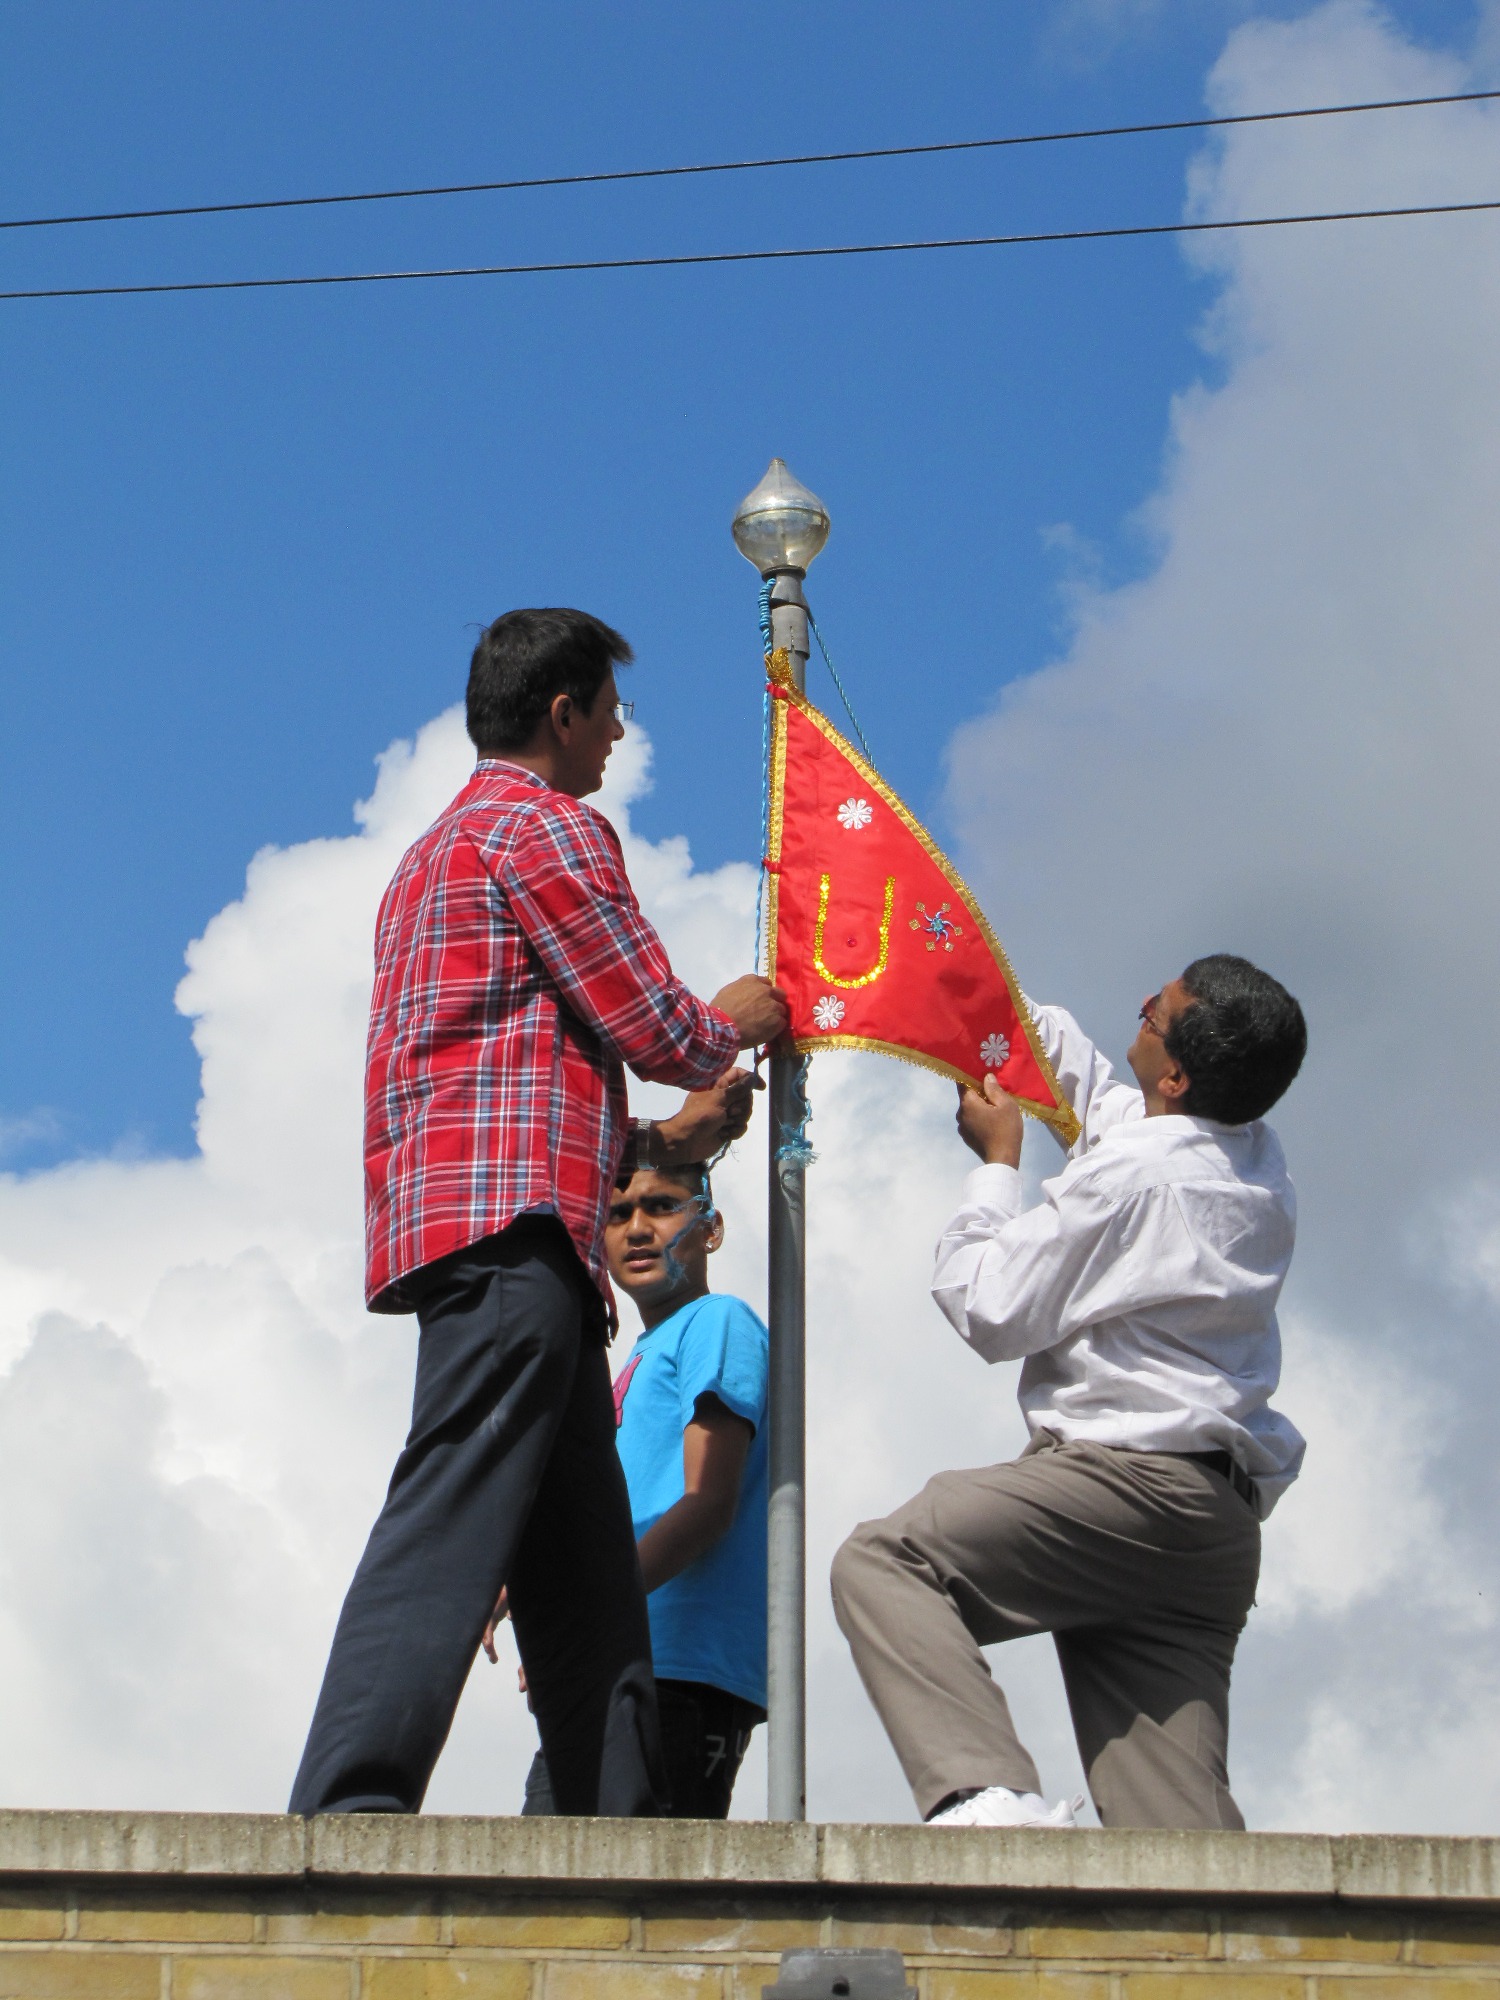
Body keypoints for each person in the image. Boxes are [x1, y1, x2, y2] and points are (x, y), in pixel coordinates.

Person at [288, 606, 787, 1818]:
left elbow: (496, 1070)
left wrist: (658, 1141)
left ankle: (616, 1823)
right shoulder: (546, 828)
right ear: (561, 712)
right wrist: (740, 1022)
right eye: (608, 708)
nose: (620, 732)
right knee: (453, 1512)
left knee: (584, 1572)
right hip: (514, 1241)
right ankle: (349, 1807)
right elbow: (650, 1020)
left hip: (486, 1223)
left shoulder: (429, 856)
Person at [831, 954, 1307, 1833]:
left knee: (888, 1559)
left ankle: (982, 1797)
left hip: (1126, 1488)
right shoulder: (1253, 1157)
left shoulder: (1138, 1181)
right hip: (1212, 1527)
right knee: (1175, 1832)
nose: (1140, 1008)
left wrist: (995, 1167)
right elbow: (1095, 1097)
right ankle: (1220, 1951)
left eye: (1154, 1013)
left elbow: (989, 1306)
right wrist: (975, 980)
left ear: (1175, 1073)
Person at [487, 1155, 770, 1819]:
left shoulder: (717, 1322)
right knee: (555, 1895)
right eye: (618, 1214)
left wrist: (584, 1618)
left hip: (679, 1670)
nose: (638, 1228)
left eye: (663, 1206)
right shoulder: (641, 1354)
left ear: (711, 1228)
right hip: (618, 1666)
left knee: (616, 1895)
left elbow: (707, 1504)